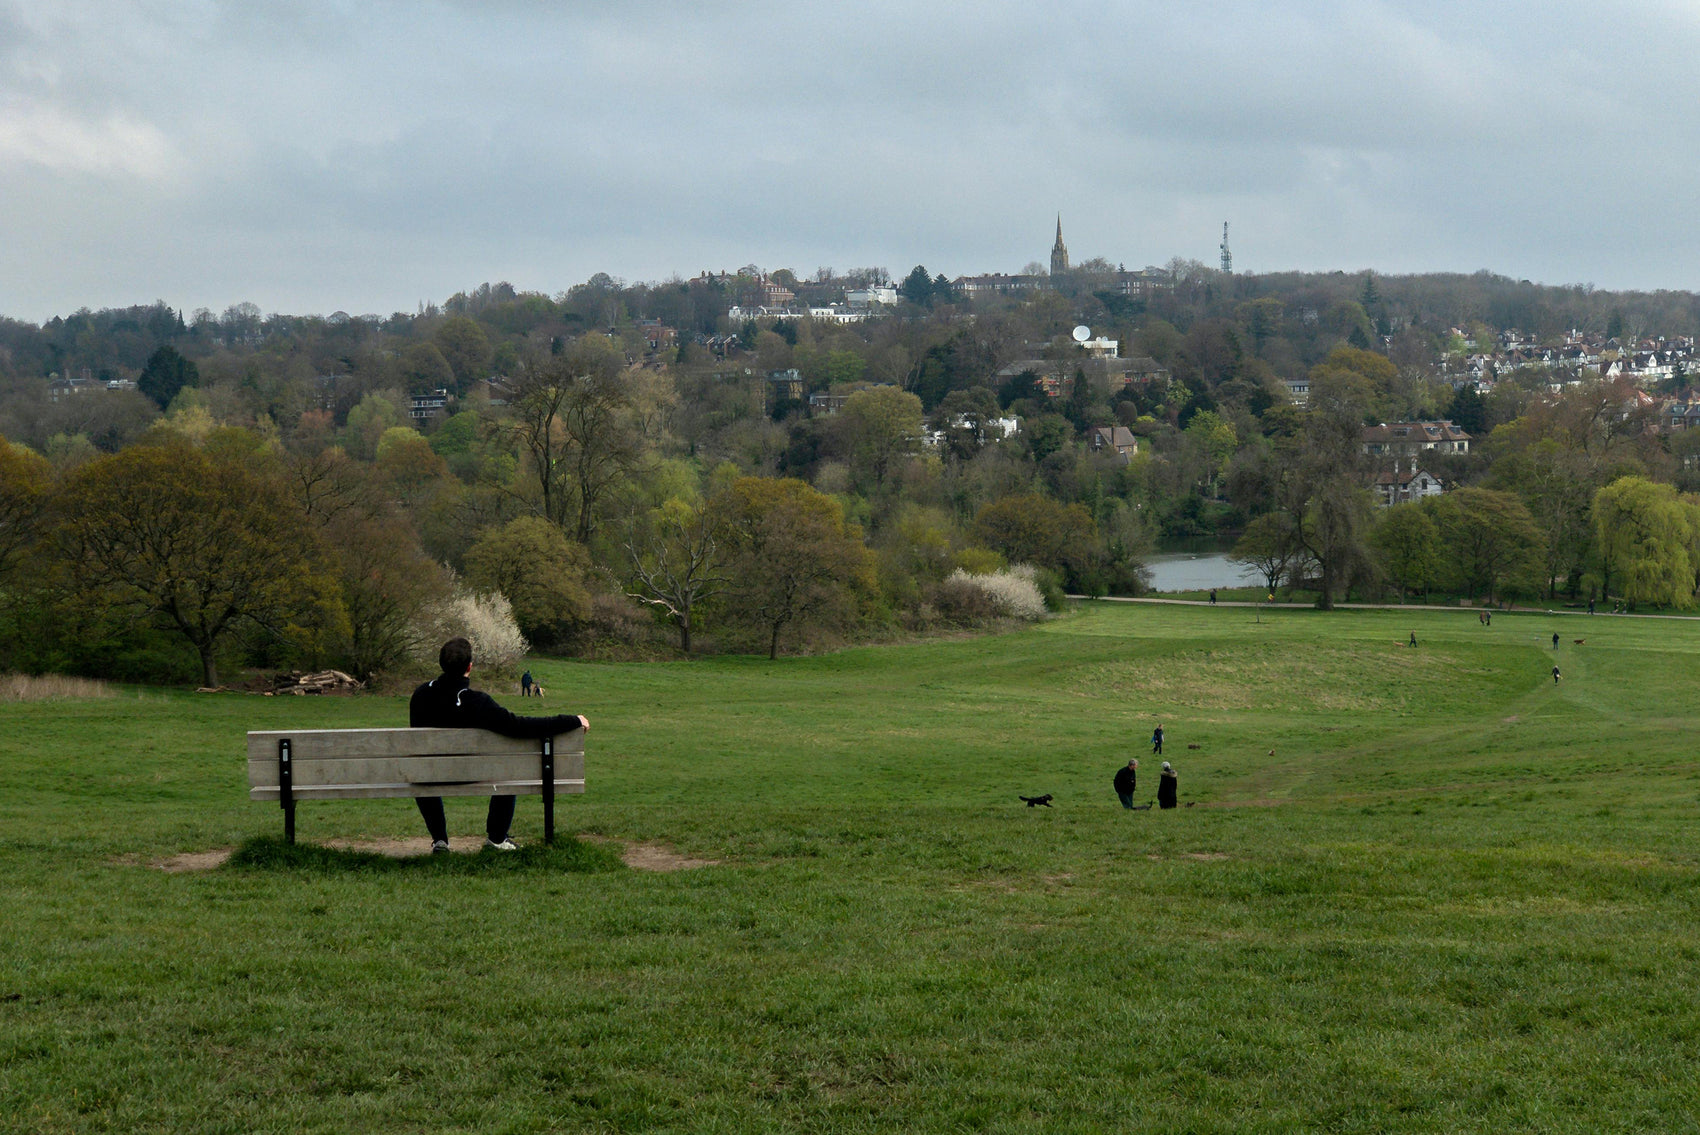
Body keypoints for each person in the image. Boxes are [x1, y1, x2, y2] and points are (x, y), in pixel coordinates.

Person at [410, 638, 589, 852]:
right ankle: (496, 839)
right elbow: (520, 726)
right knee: (506, 769)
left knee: (424, 771)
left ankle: (440, 840)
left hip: (430, 773)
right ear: (469, 667)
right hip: (472, 772)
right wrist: (572, 720)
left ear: (441, 664)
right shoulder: (478, 702)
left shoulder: (420, 695)